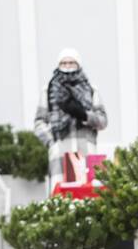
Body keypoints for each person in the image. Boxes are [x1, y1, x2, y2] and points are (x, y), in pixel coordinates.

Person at [33, 49, 108, 190]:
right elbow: (39, 123)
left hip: (86, 151)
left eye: (71, 62)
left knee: (88, 193)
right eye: (64, 63)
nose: (67, 66)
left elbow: (103, 121)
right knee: (61, 195)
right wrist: (52, 143)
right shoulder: (48, 90)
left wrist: (84, 115)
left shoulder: (91, 90)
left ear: (78, 64)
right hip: (60, 153)